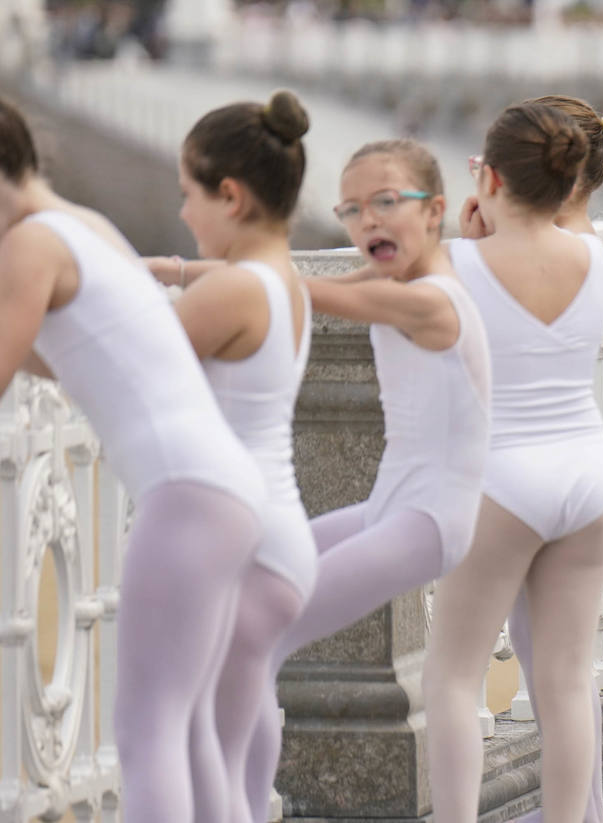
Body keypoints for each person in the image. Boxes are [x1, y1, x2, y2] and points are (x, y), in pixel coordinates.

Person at [0, 97, 266, 823]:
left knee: (146, 736)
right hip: (224, 487)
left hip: (182, 493)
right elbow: (80, 356)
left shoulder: (32, 245)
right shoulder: (88, 228)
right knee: (189, 732)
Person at [242, 137, 492, 823]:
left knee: (258, 632)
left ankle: (246, 808)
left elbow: (299, 292)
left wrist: (173, 276)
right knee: (249, 592)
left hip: (427, 523)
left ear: (434, 208)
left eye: (386, 202)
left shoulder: (430, 300)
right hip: (393, 506)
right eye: (352, 209)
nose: (367, 222)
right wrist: (174, 269)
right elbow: (309, 281)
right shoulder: (411, 279)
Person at [422, 103, 603, 823]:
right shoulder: (594, 252)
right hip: (588, 476)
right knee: (566, 680)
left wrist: (470, 238)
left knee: (452, 676)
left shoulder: (458, 260)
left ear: (491, 176)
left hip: (504, 478)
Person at [153, 91, 316, 823]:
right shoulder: (280, 276)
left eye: (188, 195)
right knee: (238, 734)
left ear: (230, 194)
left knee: (189, 749)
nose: (184, 215)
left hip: (234, 540)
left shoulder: (234, 290)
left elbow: (121, 365)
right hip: (278, 530)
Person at [497, 94, 603, 823]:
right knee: (566, 657)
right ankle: (583, 806)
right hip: (587, 465)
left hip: (532, 467)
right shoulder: (589, 242)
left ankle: (580, 807)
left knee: (546, 656)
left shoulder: (548, 246)